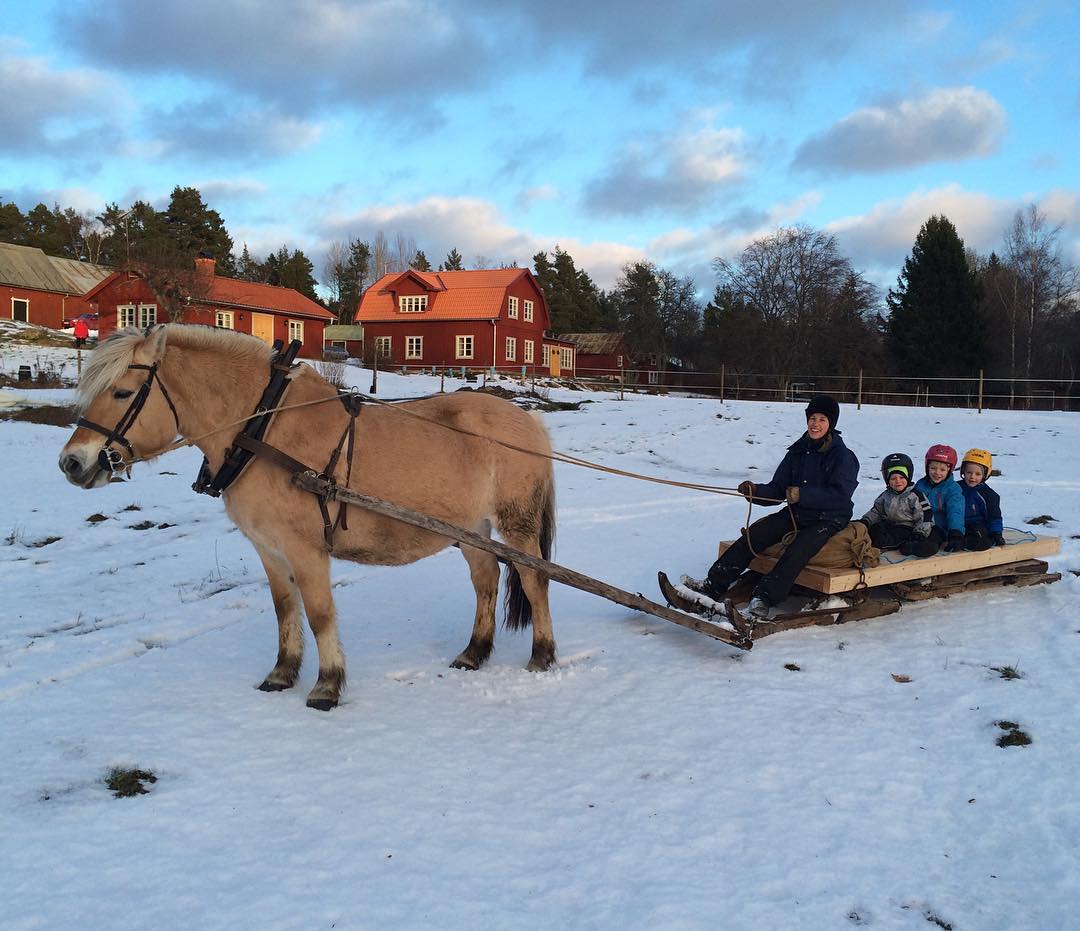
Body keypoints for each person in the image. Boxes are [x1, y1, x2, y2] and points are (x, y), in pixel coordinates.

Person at [695, 395, 859, 620]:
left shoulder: (843, 457)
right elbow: (778, 488)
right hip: (797, 513)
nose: (816, 424)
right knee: (756, 534)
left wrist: (802, 495)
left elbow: (840, 496)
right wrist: (755, 491)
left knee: (797, 550)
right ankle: (713, 584)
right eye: (812, 418)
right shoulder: (797, 452)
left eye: (822, 419)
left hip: (828, 518)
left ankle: (764, 597)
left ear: (831, 424)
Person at [857, 453, 934, 551]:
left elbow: (924, 517)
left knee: (887, 540)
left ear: (908, 477)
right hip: (888, 524)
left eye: (902, 478)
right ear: (887, 480)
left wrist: (919, 533)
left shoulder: (915, 496)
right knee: (872, 530)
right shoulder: (886, 495)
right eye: (893, 478)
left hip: (906, 527)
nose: (898, 481)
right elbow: (876, 511)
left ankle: (896, 546)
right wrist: (866, 521)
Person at [907, 444, 965, 557]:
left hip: (938, 526)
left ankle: (924, 548)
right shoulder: (921, 484)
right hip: (919, 524)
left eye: (942, 469)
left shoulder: (953, 489)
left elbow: (955, 512)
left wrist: (955, 533)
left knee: (931, 540)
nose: (937, 473)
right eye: (933, 468)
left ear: (949, 470)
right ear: (927, 467)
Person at [957, 448, 1005, 551]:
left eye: (978, 474)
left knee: (980, 535)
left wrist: (996, 533)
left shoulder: (989, 495)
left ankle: (970, 543)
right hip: (957, 524)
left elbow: (994, 516)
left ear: (985, 475)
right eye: (969, 472)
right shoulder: (955, 488)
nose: (972, 477)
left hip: (977, 526)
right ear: (963, 472)